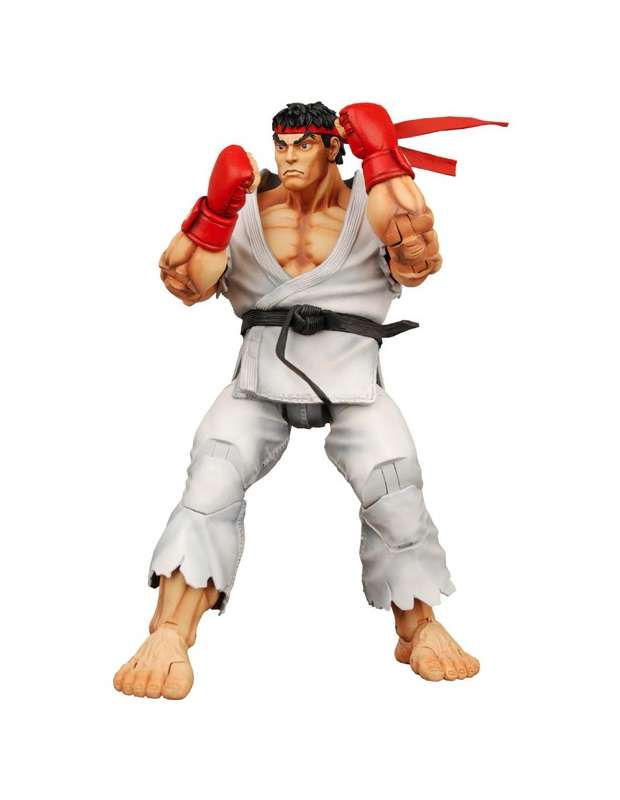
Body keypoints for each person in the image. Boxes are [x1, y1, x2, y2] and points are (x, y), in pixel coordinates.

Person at [114, 101, 505, 699]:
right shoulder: (246, 204)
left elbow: (418, 261)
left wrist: (384, 160)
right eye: (281, 144)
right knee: (212, 472)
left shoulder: (373, 201)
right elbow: (184, 282)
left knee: (394, 478)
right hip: (259, 375)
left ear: (332, 147)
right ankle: (169, 632)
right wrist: (214, 213)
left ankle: (421, 626)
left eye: (303, 144)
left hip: (352, 375)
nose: (289, 156)